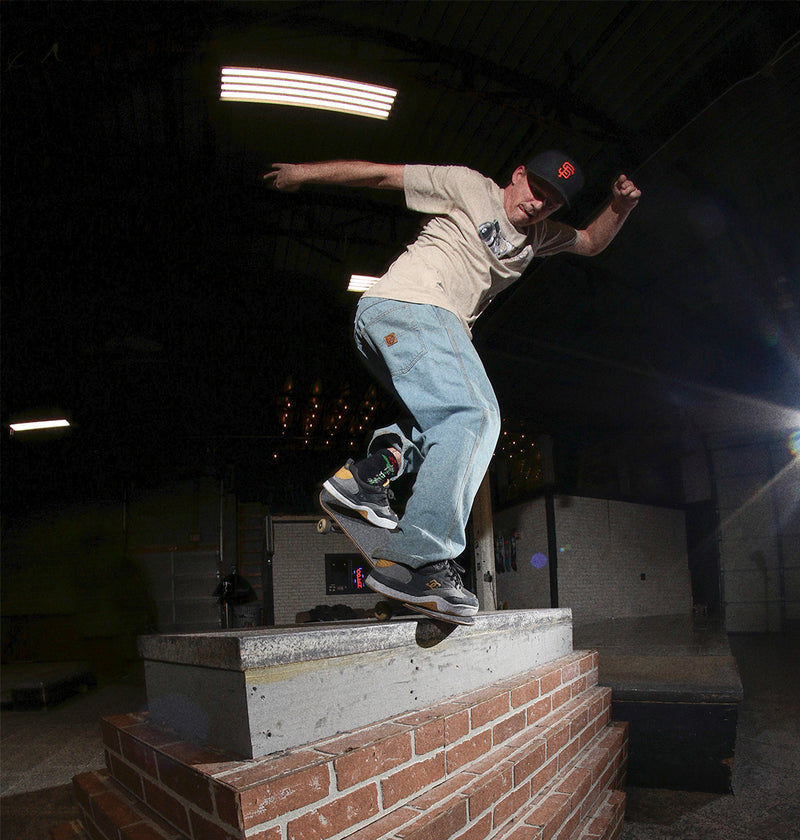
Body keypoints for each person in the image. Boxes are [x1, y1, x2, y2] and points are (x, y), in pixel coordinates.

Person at [264, 154, 641, 619]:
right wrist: (303, 174)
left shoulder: (541, 235)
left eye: (551, 201)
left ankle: (367, 478)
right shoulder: (469, 186)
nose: (538, 204)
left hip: (401, 326)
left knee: (443, 427)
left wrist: (619, 207)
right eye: (536, 188)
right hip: (412, 305)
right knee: (475, 416)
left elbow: (589, 242)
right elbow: (384, 174)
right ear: (517, 174)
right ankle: (416, 561)